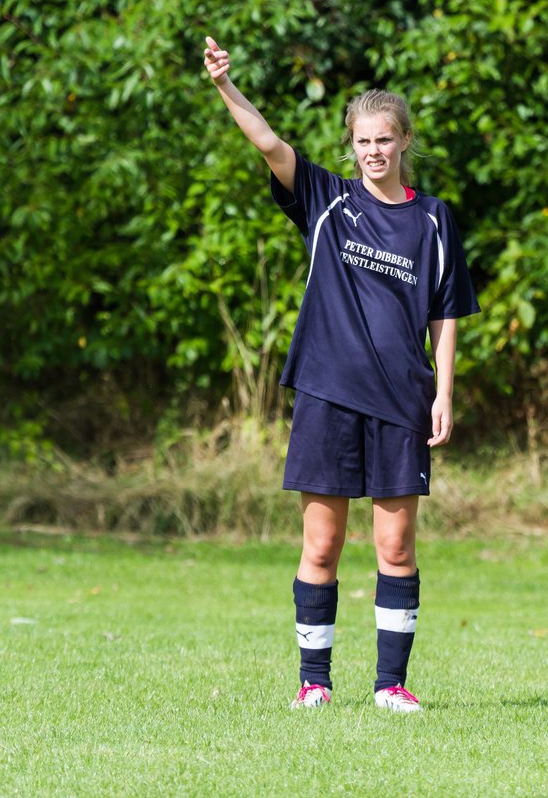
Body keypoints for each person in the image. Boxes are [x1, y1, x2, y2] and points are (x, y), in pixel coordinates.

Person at [203, 36, 479, 713]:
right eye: (363, 140)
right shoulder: (325, 200)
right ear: (350, 145)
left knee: (396, 544)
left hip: (401, 403)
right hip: (327, 396)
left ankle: (390, 685)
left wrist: (443, 391)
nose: (374, 150)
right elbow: (269, 143)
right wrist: (225, 88)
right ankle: (314, 682)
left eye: (385, 139)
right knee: (322, 544)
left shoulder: (435, 221)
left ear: (404, 141)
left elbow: (445, 314)